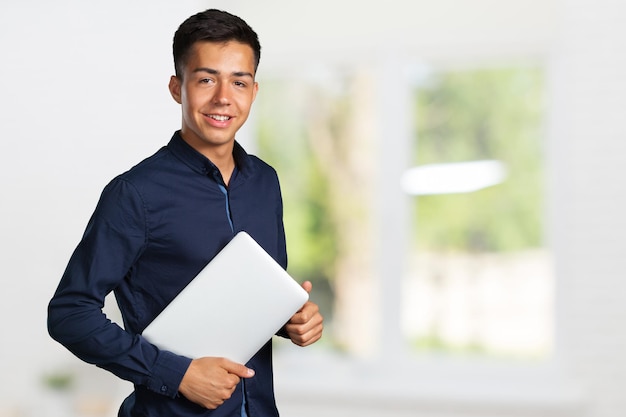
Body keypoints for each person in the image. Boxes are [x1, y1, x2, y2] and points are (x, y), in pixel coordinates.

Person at [47, 9, 324, 417]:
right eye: (207, 79)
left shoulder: (266, 183)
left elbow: (251, 296)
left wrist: (292, 321)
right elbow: (70, 314)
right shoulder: (134, 193)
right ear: (178, 88)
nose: (223, 98)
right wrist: (175, 374)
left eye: (239, 81)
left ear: (254, 90)